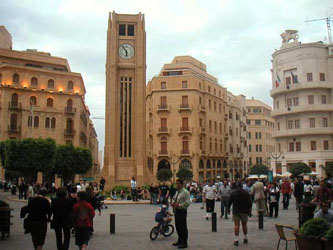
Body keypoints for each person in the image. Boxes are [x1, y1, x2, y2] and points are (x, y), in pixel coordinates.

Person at [227, 181, 252, 246]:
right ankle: (245, 237)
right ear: (242, 186)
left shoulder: (233, 193)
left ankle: (236, 239)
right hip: (244, 211)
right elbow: (249, 202)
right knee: (244, 225)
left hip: (236, 211)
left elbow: (229, 202)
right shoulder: (246, 193)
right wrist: (249, 211)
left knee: (236, 225)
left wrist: (228, 209)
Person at [171, 179, 191, 249]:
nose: (177, 185)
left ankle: (184, 242)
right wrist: (173, 202)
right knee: (178, 226)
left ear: (182, 184)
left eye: (179, 184)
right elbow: (174, 198)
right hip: (177, 211)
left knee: (183, 227)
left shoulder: (185, 192)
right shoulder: (177, 192)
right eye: (176, 184)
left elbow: (188, 202)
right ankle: (180, 240)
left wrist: (179, 205)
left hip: (182, 211)